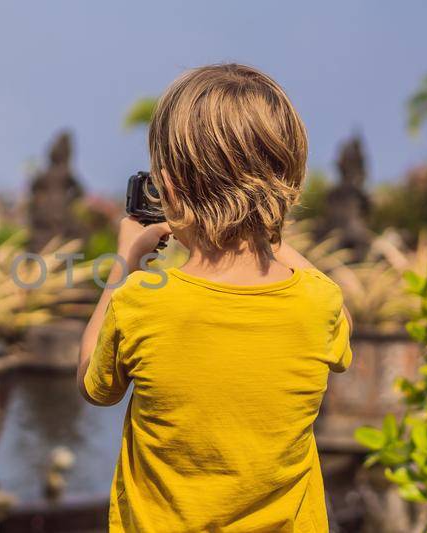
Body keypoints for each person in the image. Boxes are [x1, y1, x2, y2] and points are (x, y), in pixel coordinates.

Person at [77, 64, 353, 532]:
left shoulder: (142, 303)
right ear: (288, 179)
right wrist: (265, 233)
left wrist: (124, 263)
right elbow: (342, 319)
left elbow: (92, 383)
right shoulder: (317, 301)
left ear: (170, 186)